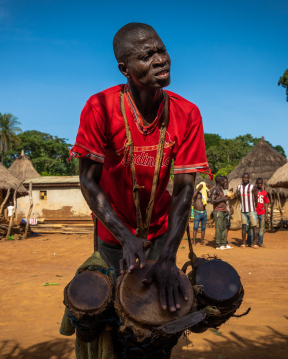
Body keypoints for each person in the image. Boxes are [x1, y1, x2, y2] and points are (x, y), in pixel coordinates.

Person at [70, 23, 209, 312]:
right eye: (147, 56)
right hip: (114, 233)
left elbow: (184, 188)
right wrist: (124, 236)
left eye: (162, 50)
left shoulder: (187, 113)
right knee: (104, 313)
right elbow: (87, 180)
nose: (160, 60)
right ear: (125, 69)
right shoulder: (99, 107)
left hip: (162, 233)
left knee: (160, 315)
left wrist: (169, 256)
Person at [234, 173, 258, 248]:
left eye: (247, 178)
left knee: (254, 226)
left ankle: (254, 243)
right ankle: (243, 243)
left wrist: (255, 206)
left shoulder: (252, 187)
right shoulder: (239, 187)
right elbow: (238, 197)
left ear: (249, 178)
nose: (245, 179)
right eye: (244, 178)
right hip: (243, 210)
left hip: (251, 210)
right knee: (244, 226)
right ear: (242, 178)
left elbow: (256, 197)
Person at [210, 176, 231, 250]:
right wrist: (222, 199)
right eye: (223, 181)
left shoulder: (220, 190)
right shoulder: (215, 190)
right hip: (218, 211)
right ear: (220, 182)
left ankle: (223, 244)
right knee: (219, 228)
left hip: (223, 210)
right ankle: (218, 245)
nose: (224, 182)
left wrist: (225, 198)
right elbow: (212, 201)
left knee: (223, 227)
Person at [255, 178, 270, 247]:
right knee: (253, 227)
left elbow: (266, 203)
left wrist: (266, 213)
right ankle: (252, 241)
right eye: (258, 183)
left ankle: (260, 242)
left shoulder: (265, 193)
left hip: (262, 212)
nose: (260, 184)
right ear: (256, 183)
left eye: (261, 183)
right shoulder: (254, 192)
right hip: (254, 212)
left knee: (261, 228)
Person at [221, 176, 234, 245]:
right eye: (225, 182)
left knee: (226, 227)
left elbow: (228, 201)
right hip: (222, 211)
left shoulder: (227, 191)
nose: (226, 184)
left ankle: (225, 241)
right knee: (221, 227)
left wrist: (231, 207)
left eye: (227, 183)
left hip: (227, 212)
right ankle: (221, 241)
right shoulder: (220, 191)